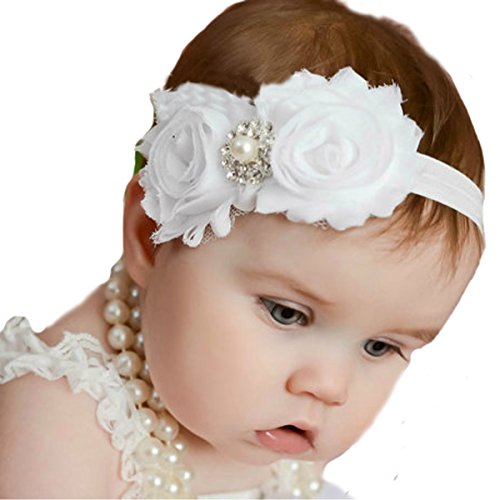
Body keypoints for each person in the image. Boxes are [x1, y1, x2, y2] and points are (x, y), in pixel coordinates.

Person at [0, 0, 486, 498]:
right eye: (286, 313)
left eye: (379, 347)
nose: (330, 386)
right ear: (152, 235)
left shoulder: (265, 415)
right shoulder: (57, 423)